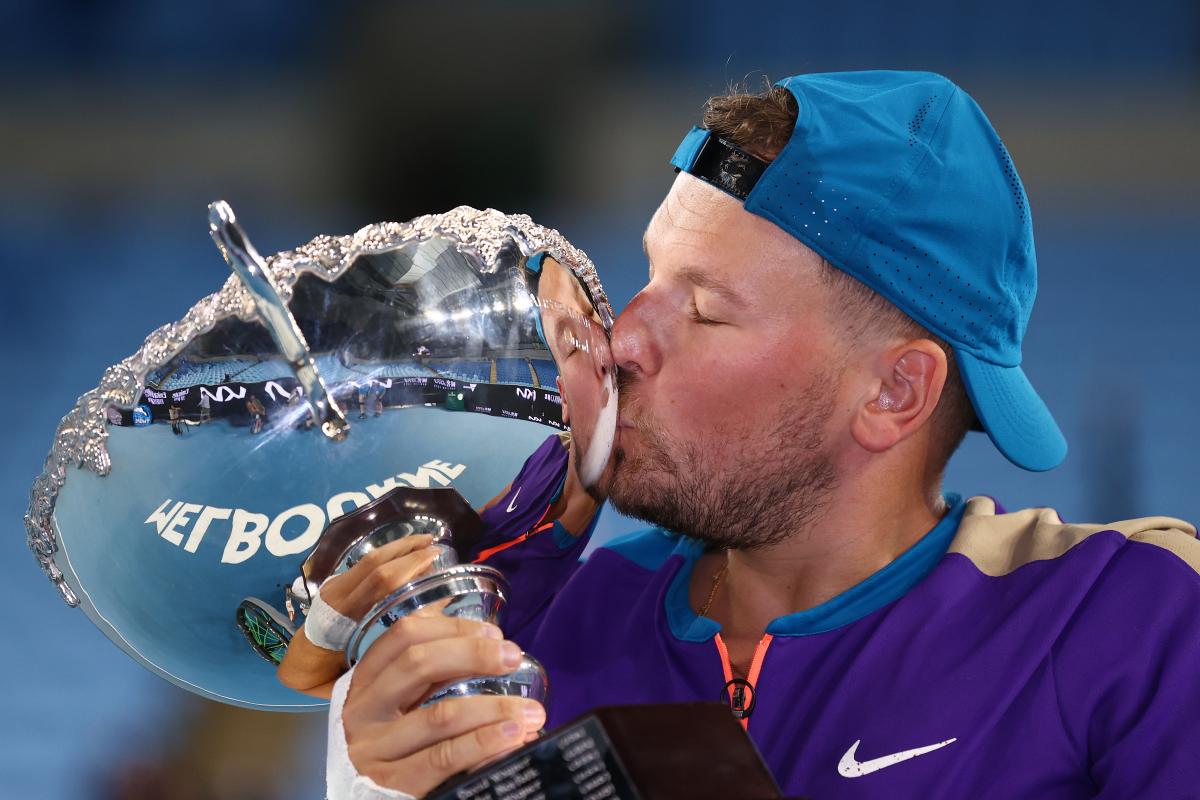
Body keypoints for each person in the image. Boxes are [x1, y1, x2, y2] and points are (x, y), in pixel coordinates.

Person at [327, 71, 1200, 799]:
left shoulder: (1129, 619)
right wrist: (378, 782)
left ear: (896, 391)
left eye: (704, 310)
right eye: (652, 275)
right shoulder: (533, 629)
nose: (622, 336)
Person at [277, 255, 610, 695]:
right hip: (456, 589)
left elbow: (301, 682)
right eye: (569, 344)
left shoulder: (586, 483)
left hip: (474, 625)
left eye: (591, 323)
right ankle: (318, 599)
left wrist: (323, 633)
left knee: (312, 662)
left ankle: (316, 604)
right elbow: (502, 504)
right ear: (562, 396)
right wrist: (461, 526)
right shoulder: (550, 453)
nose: (599, 352)